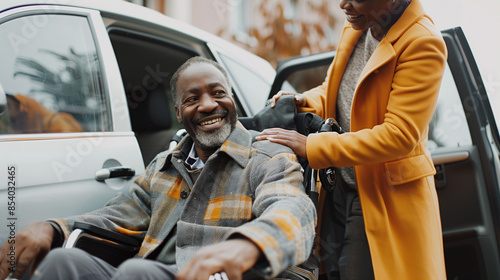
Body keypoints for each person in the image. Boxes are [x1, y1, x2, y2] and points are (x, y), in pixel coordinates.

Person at [0, 57, 316, 280]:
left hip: (229, 275)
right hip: (147, 273)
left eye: (218, 93)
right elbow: (114, 216)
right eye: (193, 98)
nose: (208, 105)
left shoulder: (266, 155)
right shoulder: (163, 167)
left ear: (232, 100)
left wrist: (249, 245)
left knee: (137, 272)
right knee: (62, 262)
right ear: (179, 113)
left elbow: (292, 209)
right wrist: (53, 227)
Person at [257, 0, 447, 279]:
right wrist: (304, 100)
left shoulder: (423, 42)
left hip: (381, 194)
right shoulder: (359, 22)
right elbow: (338, 90)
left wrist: (310, 146)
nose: (343, 4)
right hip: (339, 187)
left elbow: (399, 136)